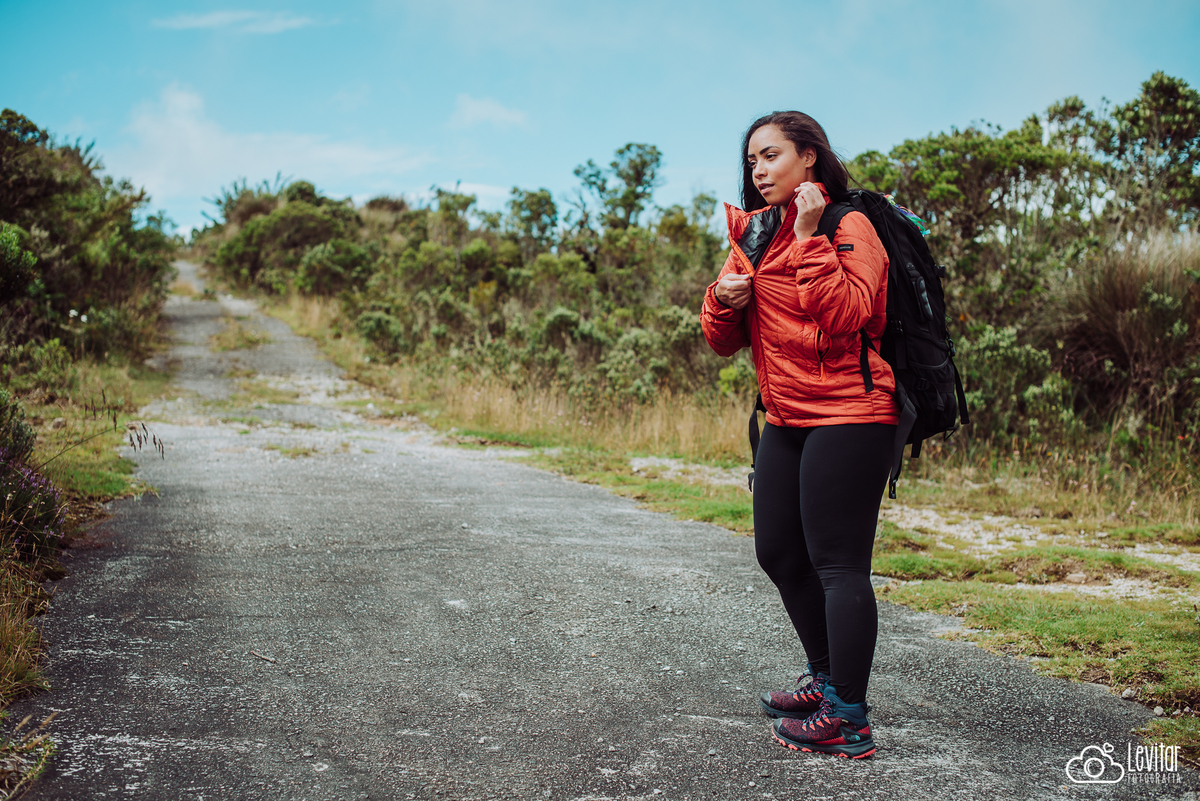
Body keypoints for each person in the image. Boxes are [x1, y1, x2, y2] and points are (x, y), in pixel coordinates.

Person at [699, 111, 898, 759]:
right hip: (785, 419)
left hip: (851, 413)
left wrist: (810, 234)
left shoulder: (848, 224)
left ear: (809, 156)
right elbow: (721, 341)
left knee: (838, 564)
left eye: (772, 155)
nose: (759, 170)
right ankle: (825, 677)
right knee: (779, 552)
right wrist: (721, 301)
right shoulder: (753, 235)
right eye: (752, 159)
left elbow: (847, 316)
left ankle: (850, 717)